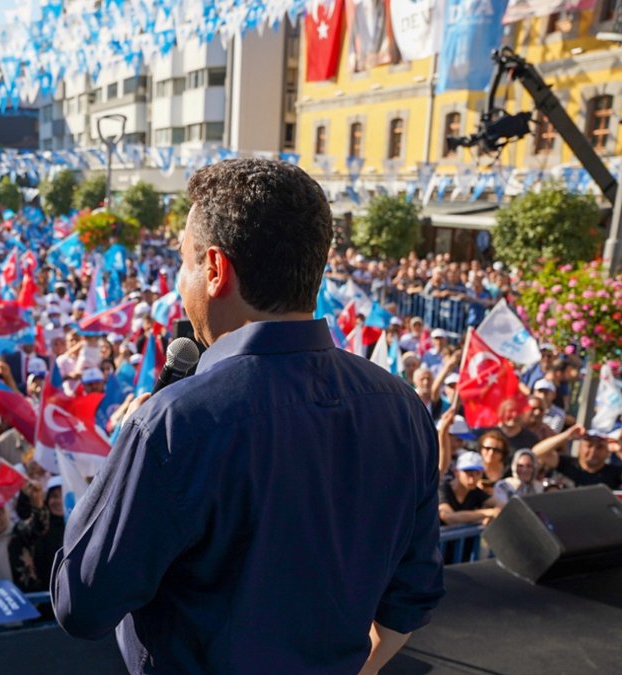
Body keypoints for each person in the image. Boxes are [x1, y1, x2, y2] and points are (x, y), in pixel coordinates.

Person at [52, 159, 443, 674]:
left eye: (184, 260)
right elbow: (410, 598)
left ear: (215, 269)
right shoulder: (404, 408)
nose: (177, 280)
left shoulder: (175, 425)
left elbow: (80, 603)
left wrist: (127, 448)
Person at [533, 425, 622, 489]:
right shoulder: (566, 464)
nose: (593, 451)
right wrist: (567, 435)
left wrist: (619, 450)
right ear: (580, 447)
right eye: (589, 445)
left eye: (599, 447)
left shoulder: (615, 473)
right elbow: (536, 452)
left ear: (607, 451)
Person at [438, 453, 499, 526]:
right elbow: (448, 517)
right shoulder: (442, 489)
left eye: (478, 473)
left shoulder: (475, 491)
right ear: (456, 472)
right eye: (468, 473)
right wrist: (487, 513)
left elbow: (501, 506)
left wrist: (492, 516)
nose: (473, 479)